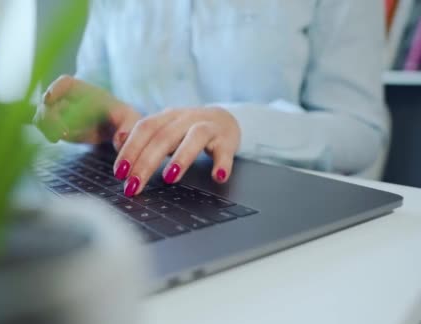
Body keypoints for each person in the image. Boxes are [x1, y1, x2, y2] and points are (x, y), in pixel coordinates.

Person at [34, 0, 388, 198]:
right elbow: (98, 81)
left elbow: (360, 128)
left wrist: (237, 125)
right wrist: (93, 115)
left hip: (273, 206)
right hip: (132, 195)